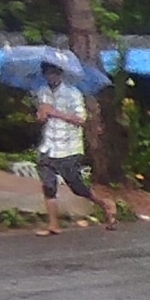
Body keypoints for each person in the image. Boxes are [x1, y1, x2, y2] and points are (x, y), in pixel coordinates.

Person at [34, 62, 117, 236]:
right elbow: (41, 118)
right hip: (48, 145)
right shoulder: (42, 92)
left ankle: (104, 204)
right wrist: (42, 113)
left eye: (54, 73)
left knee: (76, 185)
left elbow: (81, 119)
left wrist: (55, 112)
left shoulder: (73, 93)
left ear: (60, 74)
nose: (51, 77)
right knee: (48, 185)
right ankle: (53, 224)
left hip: (68, 147)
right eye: (47, 73)